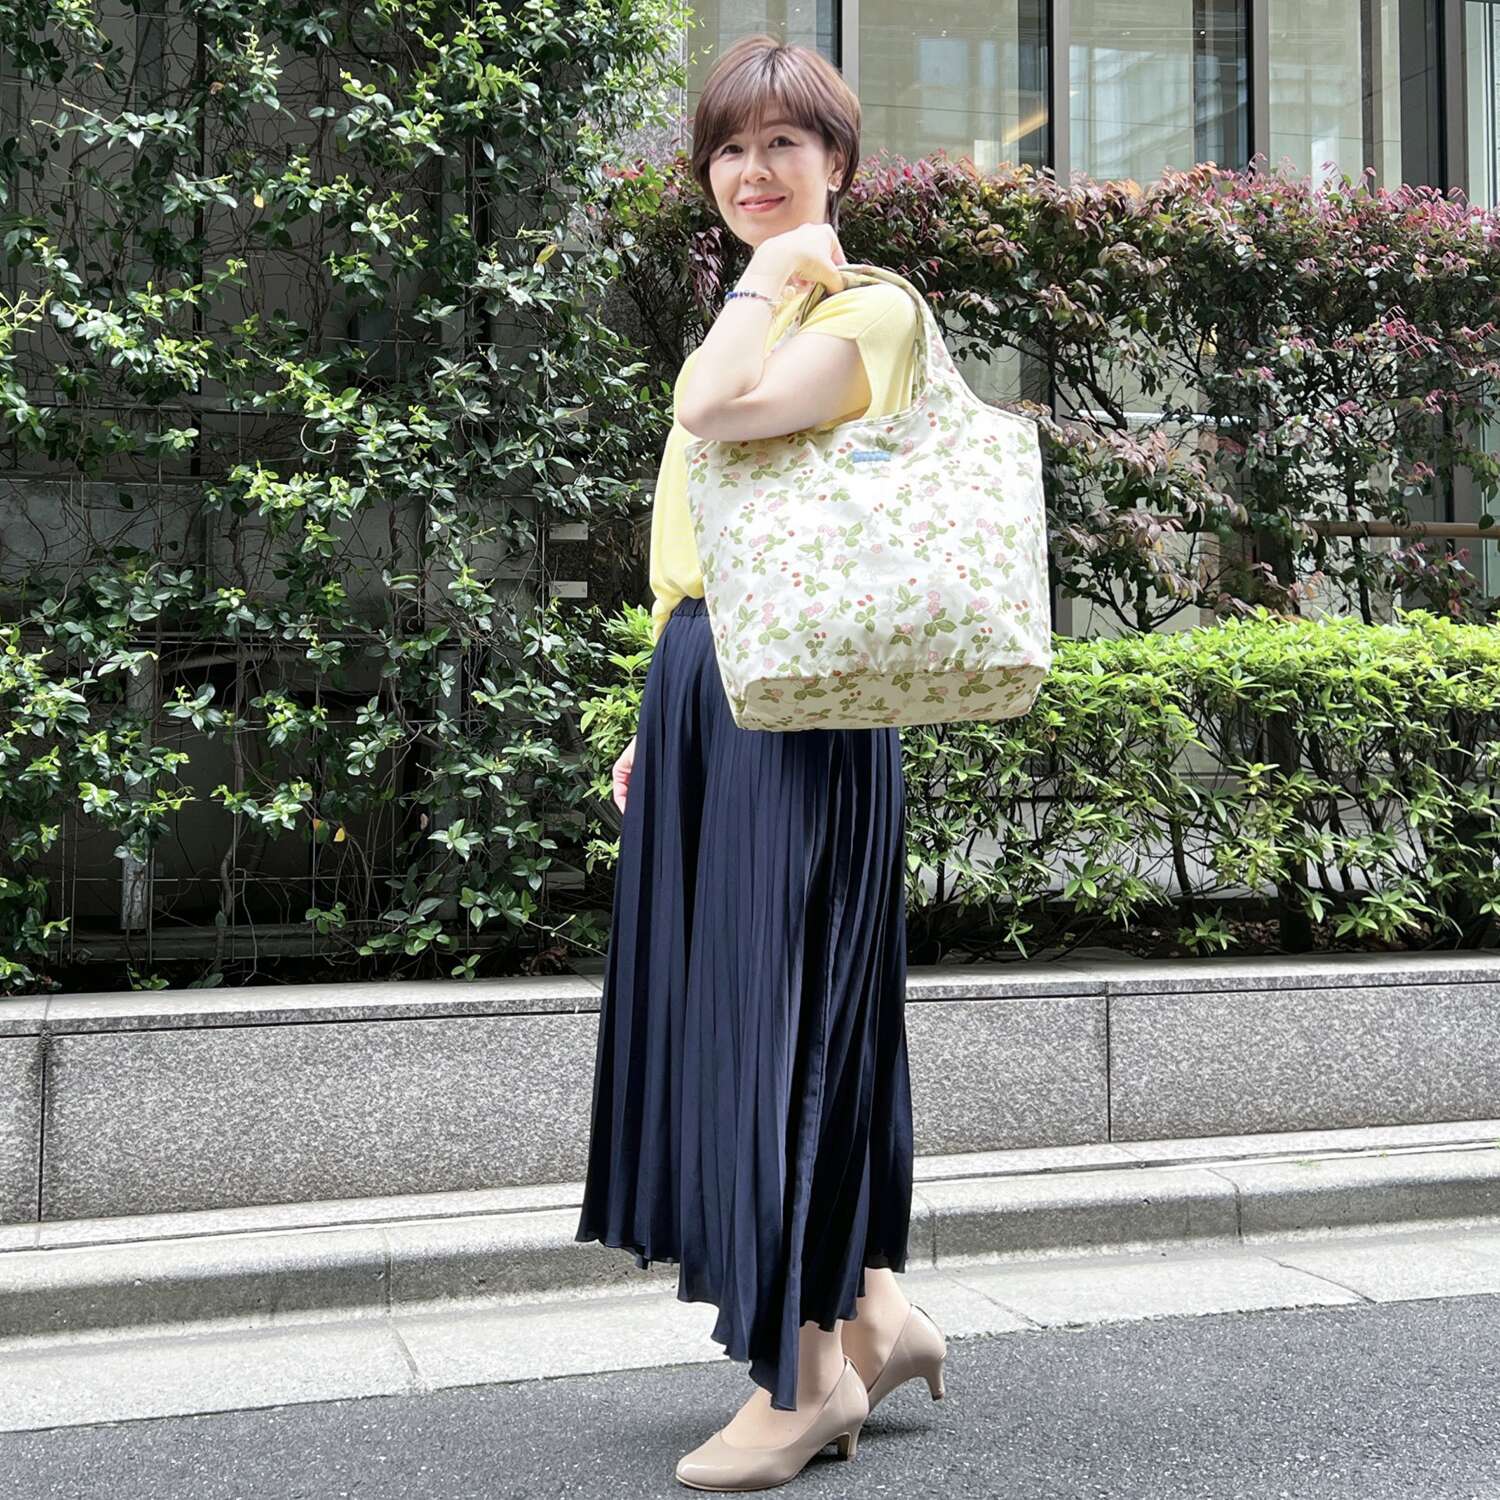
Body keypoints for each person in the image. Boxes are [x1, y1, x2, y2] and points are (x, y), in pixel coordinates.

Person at [574, 32, 947, 1491]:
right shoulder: (769, 308)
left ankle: (805, 1381)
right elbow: (715, 546)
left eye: (783, 143)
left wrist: (773, 274)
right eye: (728, 149)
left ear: (837, 162)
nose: (751, 172)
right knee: (749, 1014)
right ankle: (871, 1313)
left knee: (775, 1028)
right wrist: (655, 718)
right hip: (712, 682)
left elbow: (715, 411)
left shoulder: (866, 310)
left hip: (802, 706)